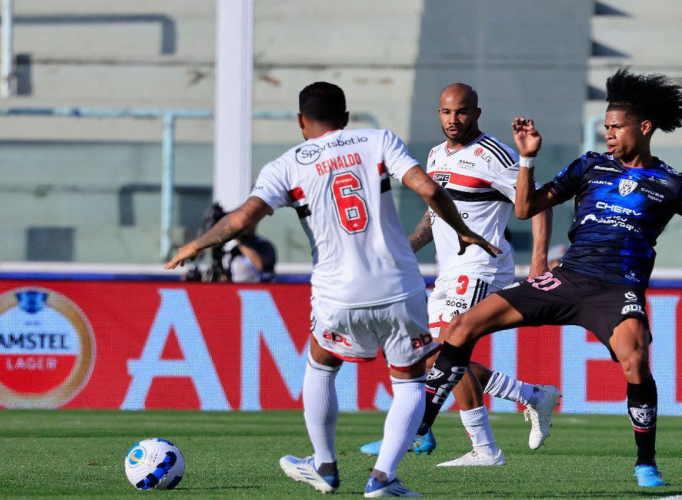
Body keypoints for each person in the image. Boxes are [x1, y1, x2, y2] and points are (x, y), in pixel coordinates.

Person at [418, 68, 682, 488]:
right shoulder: (590, 166)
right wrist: (527, 159)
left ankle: (645, 462)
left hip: (617, 289)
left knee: (635, 361)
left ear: (644, 127)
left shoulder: (671, 183)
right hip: (568, 277)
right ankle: (422, 423)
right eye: (605, 127)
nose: (608, 134)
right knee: (464, 326)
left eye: (616, 127)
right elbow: (526, 208)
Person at [166, 81, 499, 497]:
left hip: (337, 291)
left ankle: (324, 464)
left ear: (301, 122)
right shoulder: (377, 140)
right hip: (399, 285)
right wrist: (464, 231)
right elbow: (430, 190)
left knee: (322, 362)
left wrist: (197, 244)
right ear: (345, 118)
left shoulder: (286, 165)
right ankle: (383, 478)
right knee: (410, 383)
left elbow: (245, 218)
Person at [359, 83, 560, 467]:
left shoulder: (495, 156)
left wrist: (539, 262)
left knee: (447, 348)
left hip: (482, 267)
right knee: (438, 358)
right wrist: (400, 252)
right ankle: (524, 404)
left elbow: (536, 202)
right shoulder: (435, 156)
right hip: (448, 271)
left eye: (462, 112)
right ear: (438, 114)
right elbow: (434, 217)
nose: (454, 120)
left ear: (477, 113)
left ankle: (444, 439)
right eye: (447, 113)